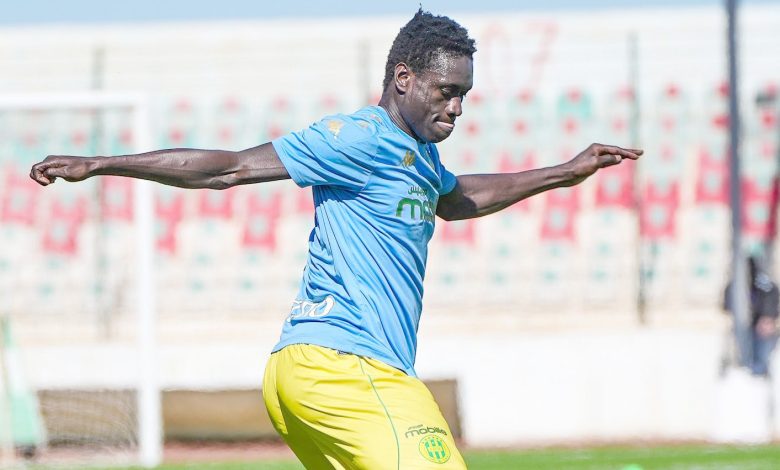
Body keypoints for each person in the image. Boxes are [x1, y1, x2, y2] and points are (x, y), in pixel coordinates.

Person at [29, 9, 642, 470]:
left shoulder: (420, 157)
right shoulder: (360, 138)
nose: (457, 107)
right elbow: (230, 168)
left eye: (464, 95)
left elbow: (457, 200)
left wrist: (565, 172)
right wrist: (102, 163)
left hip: (311, 373)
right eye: (445, 91)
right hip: (345, 366)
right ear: (403, 78)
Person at [723, 256, 779, 377]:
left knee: (763, 341)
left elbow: (771, 293)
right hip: (746, 322)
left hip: (760, 320)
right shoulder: (736, 284)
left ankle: (760, 368)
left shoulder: (762, 281)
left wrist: (767, 316)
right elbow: (727, 303)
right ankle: (747, 366)